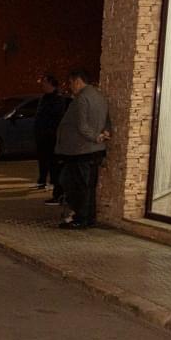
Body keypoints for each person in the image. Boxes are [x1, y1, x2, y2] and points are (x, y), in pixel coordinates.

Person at [55, 69, 110, 229]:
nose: (70, 86)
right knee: (89, 187)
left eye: (71, 83)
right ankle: (89, 218)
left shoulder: (81, 99)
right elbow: (107, 120)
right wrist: (105, 133)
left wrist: (95, 137)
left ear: (78, 81)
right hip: (95, 150)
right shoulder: (100, 96)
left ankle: (80, 219)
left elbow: (82, 126)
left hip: (81, 150)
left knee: (77, 185)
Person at [33, 74, 67, 195]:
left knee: (53, 160)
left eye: (45, 83)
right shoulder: (44, 98)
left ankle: (53, 181)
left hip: (51, 135)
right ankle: (42, 179)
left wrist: (51, 131)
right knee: (42, 158)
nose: (43, 85)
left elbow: (56, 117)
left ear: (50, 84)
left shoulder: (58, 98)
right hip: (42, 134)